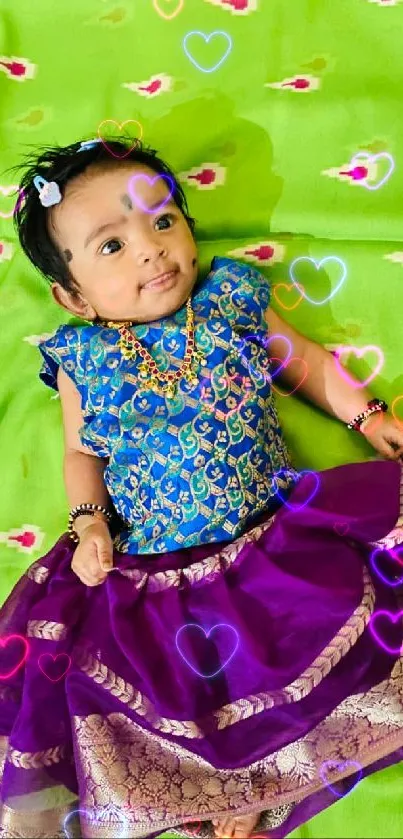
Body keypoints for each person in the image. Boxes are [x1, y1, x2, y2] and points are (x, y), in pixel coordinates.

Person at [0, 136, 402, 839]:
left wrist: (366, 416)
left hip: (275, 530)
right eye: (111, 246)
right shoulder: (82, 358)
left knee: (322, 619)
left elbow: (300, 360)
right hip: (162, 568)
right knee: (193, 687)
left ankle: (267, 775)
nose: (151, 250)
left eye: (161, 221)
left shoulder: (230, 299)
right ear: (72, 295)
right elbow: (78, 450)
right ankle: (227, 794)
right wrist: (91, 522)